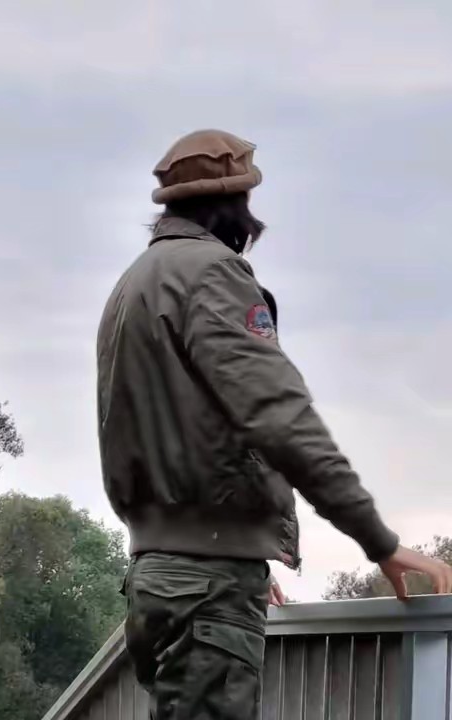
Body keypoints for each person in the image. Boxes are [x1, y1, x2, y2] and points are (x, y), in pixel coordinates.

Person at [95, 129, 452, 720]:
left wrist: (238, 553)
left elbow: (168, 429)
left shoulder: (134, 283)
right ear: (237, 204)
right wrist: (380, 542)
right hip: (204, 589)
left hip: (157, 580)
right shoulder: (211, 274)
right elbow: (280, 417)